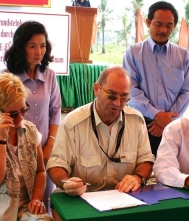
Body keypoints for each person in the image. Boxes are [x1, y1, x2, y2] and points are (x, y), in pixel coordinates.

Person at [46, 66, 154, 196]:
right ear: (97, 89)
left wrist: (137, 177)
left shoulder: (136, 121)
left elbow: (146, 159)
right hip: (83, 199)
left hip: (125, 197)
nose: (118, 103)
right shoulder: (73, 123)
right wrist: (67, 182)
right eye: (112, 95)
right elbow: (56, 165)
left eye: (124, 97)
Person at [123, 1, 189, 156]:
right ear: (149, 22)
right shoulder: (133, 53)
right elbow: (131, 89)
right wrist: (156, 115)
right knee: (138, 171)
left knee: (171, 172)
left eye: (169, 25)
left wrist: (167, 119)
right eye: (158, 24)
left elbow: (187, 91)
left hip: (172, 124)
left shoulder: (183, 56)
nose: (163, 30)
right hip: (141, 122)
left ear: (174, 26)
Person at [3, 21, 61, 213]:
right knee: (12, 205)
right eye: (32, 46)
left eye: (43, 46)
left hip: (43, 148)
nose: (39, 51)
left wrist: (49, 146)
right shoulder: (7, 76)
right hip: (12, 151)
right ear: (21, 48)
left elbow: (55, 112)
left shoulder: (50, 75)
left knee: (41, 205)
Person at [0, 72, 53, 221]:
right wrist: (1, 140)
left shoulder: (30, 130)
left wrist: (36, 199)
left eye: (23, 110)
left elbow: (40, 171)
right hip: (2, 210)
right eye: (13, 114)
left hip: (25, 208)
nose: (20, 118)